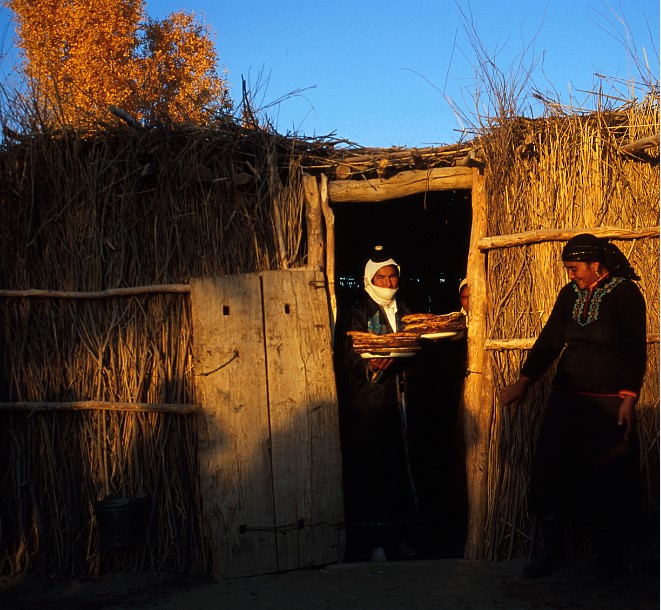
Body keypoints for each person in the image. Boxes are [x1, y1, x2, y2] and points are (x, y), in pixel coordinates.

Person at [500, 233, 647, 581]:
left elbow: (634, 349)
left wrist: (628, 398)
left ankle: (609, 558)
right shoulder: (570, 295)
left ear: (595, 264)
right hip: (566, 400)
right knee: (552, 474)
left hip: (609, 404)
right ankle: (551, 551)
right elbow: (551, 339)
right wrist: (525, 380)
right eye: (568, 269)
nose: (571, 275)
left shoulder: (626, 294)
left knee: (609, 480)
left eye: (575, 268)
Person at [340, 245, 420, 562]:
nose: (388, 283)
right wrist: (370, 366)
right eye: (381, 277)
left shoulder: (407, 311)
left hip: (403, 401)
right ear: (369, 280)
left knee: (403, 470)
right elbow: (348, 358)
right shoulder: (359, 313)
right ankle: (374, 540)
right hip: (372, 405)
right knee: (374, 471)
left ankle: (401, 537)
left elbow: (419, 347)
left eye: (392, 276)